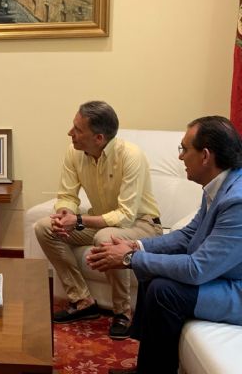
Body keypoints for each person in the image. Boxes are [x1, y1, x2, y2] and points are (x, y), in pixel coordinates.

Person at [87, 116, 242, 374]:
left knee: (163, 290)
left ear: (205, 156)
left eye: (184, 149)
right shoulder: (218, 184)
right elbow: (187, 235)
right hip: (222, 276)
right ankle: (147, 367)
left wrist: (129, 259)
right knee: (153, 273)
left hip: (236, 291)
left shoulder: (237, 201)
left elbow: (197, 269)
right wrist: (135, 246)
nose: (180, 157)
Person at [34, 101, 162, 339]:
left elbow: (124, 217)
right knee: (44, 228)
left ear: (99, 137)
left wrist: (79, 219)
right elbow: (67, 195)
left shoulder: (130, 156)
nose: (70, 133)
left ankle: (123, 313)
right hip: (101, 220)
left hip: (142, 224)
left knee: (106, 237)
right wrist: (64, 213)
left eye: (77, 129)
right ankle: (82, 301)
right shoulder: (74, 152)